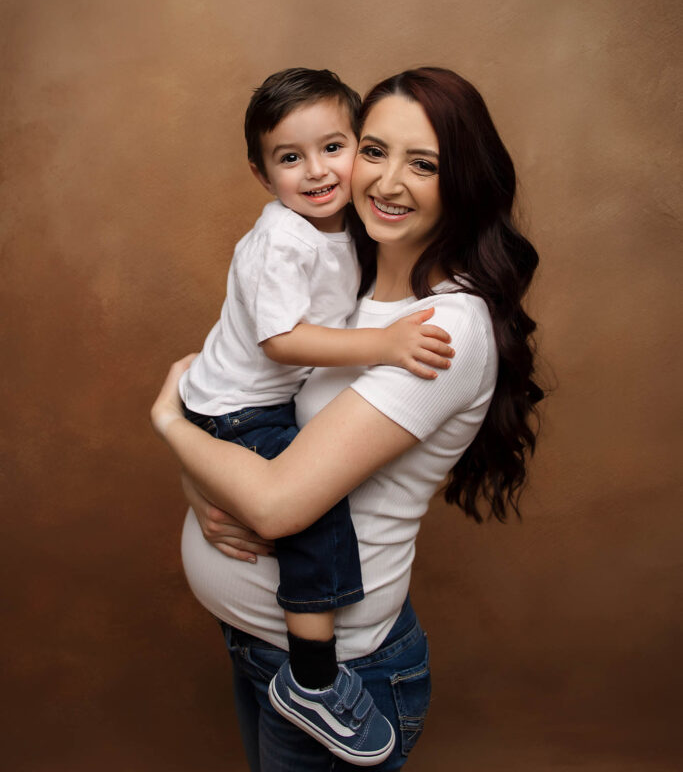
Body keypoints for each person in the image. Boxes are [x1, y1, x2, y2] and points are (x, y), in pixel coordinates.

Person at [151, 66, 543, 771]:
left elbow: (274, 503)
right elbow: (252, 414)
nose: (387, 182)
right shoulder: (350, 272)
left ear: (463, 181)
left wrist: (169, 425)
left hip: (344, 675)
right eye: (373, 151)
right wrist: (199, 489)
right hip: (257, 646)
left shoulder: (441, 329)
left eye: (422, 164)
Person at [177, 67, 454, 765]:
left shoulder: (344, 233)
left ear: (357, 146)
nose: (317, 171)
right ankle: (313, 676)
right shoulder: (284, 240)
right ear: (261, 173)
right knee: (315, 515)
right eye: (289, 158)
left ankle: (311, 671)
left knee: (307, 502)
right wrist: (384, 344)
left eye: (334, 148)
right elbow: (280, 341)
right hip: (241, 407)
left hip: (239, 405)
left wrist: (175, 435)